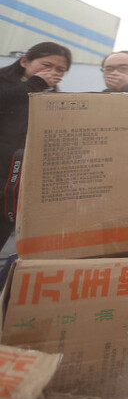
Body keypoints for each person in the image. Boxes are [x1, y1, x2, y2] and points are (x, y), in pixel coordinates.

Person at [1, 42, 71, 249]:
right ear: (25, 61)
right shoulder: (6, 83)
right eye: (46, 65)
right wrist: (34, 84)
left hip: (13, 186)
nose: (53, 73)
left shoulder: (55, 99)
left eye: (60, 70)